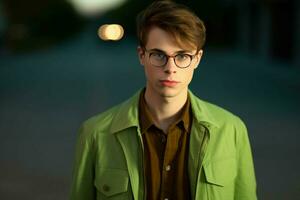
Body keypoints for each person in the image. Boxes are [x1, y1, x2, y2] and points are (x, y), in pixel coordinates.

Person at [70, 1, 257, 200]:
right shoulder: (94, 134)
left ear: (197, 59)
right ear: (141, 55)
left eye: (182, 56)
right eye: (159, 55)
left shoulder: (232, 129)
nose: (170, 68)